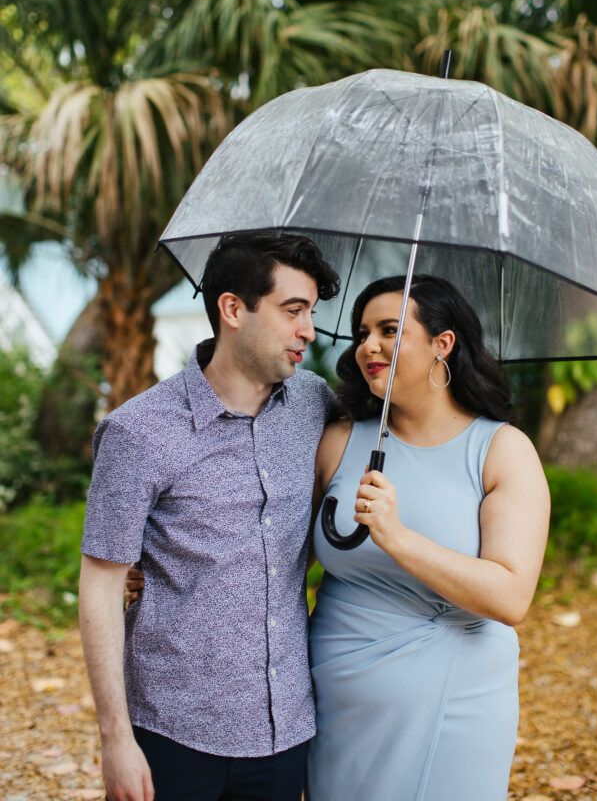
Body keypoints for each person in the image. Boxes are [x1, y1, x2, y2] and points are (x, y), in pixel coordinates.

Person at [79, 230, 340, 801]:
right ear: (233, 309)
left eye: (312, 313)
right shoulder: (138, 432)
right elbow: (99, 587)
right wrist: (115, 740)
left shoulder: (316, 404)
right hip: (172, 731)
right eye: (293, 310)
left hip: (285, 728)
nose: (309, 331)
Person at [306, 274, 550, 801]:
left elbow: (510, 596)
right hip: (339, 691)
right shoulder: (338, 442)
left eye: (390, 330)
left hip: (459, 694)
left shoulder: (502, 450)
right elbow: (277, 561)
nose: (369, 345)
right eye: (362, 331)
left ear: (443, 344)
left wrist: (399, 537)